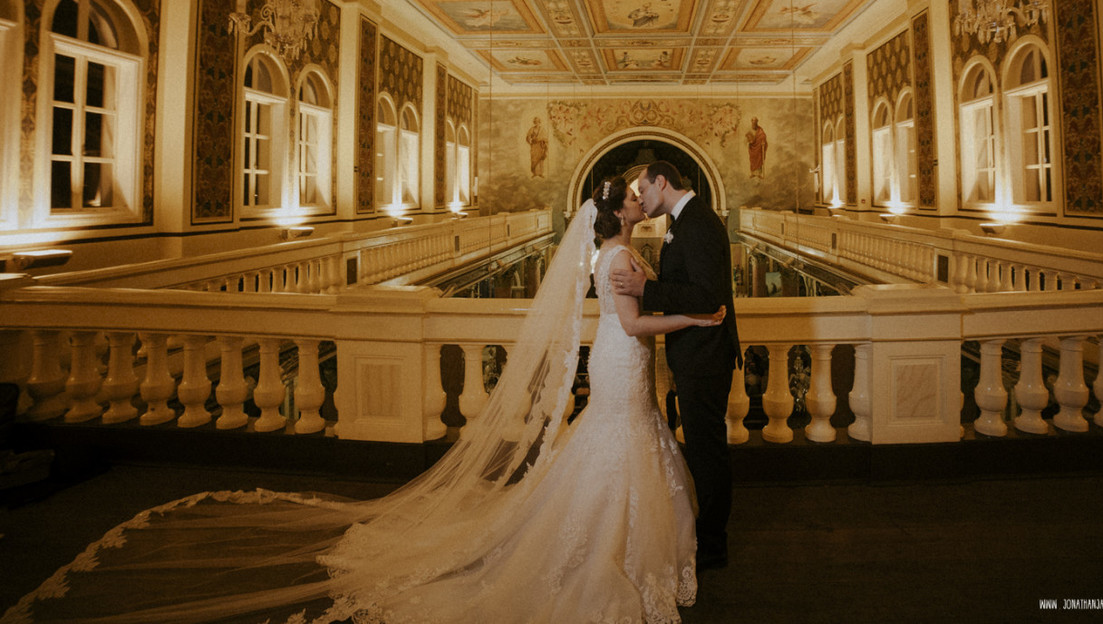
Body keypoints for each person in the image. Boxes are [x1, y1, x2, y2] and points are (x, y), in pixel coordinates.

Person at [3, 178, 722, 624]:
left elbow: (628, 313)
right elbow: (632, 321)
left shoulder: (606, 255)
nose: (638, 200)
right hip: (626, 357)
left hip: (622, 364)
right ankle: (602, 544)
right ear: (617, 219)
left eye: (639, 194)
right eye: (631, 198)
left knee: (612, 441)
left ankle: (597, 530)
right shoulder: (620, 256)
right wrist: (695, 317)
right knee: (618, 440)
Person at [612, 160, 741, 572]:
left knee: (707, 452)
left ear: (661, 182)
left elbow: (706, 296)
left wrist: (646, 289)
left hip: (704, 357)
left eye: (643, 191)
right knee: (703, 449)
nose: (642, 202)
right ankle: (709, 534)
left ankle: (714, 544)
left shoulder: (698, 223)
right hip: (695, 354)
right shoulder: (685, 221)